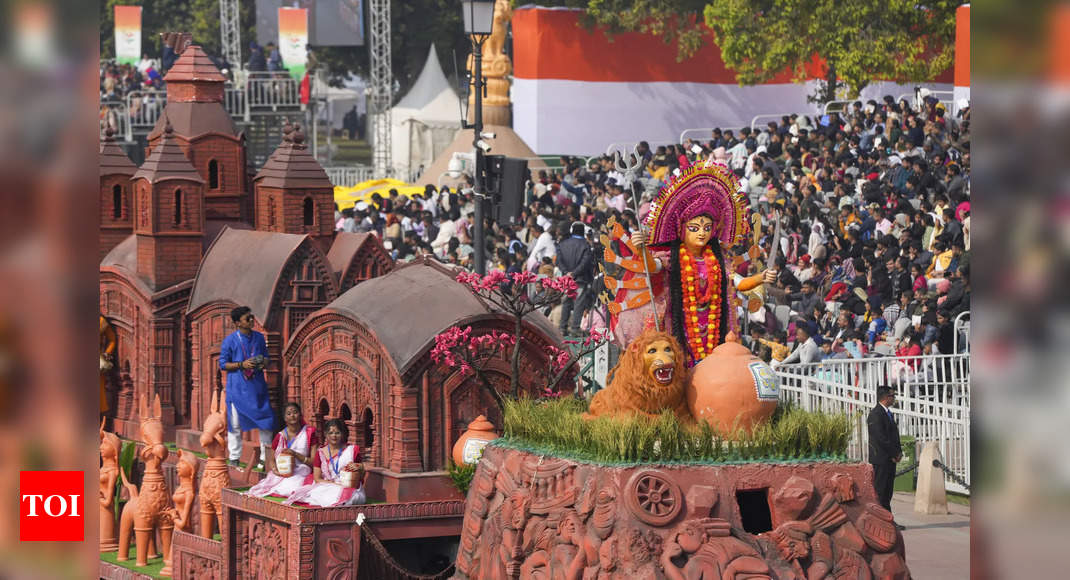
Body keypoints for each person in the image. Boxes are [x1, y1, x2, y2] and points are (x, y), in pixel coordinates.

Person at [618, 163, 771, 366]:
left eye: (707, 228)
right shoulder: (672, 257)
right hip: (680, 325)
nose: (702, 233)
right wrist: (642, 250)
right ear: (682, 230)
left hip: (713, 327)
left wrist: (761, 278)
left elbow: (739, 283)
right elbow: (652, 267)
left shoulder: (718, 260)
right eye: (695, 228)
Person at [219, 306, 275, 470]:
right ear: (237, 323)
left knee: (266, 421)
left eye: (251, 317)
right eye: (247, 318)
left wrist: (261, 362)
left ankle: (266, 458)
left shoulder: (258, 338)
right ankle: (234, 458)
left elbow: (267, 359)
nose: (251, 321)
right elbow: (223, 364)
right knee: (235, 424)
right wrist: (241, 364)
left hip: (257, 387)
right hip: (237, 388)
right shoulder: (230, 341)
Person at [283, 419, 366, 507]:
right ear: (326, 434)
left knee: (352, 497)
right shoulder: (320, 452)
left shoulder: (351, 451)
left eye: (337, 433)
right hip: (327, 485)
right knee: (321, 495)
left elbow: (360, 477)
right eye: (330, 433)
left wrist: (361, 468)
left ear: (342, 434)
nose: (334, 436)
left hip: (348, 487)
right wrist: (334, 484)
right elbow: (317, 478)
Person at [247, 402, 319, 498]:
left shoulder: (309, 433)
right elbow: (271, 460)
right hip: (282, 473)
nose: (292, 415)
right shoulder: (280, 436)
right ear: (285, 418)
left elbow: (314, 462)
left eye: (295, 412)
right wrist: (275, 470)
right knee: (267, 486)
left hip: (302, 473)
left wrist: (295, 454)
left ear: (300, 415)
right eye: (289, 414)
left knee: (291, 489)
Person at [867, 386, 903, 522]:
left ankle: (887, 519)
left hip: (890, 459)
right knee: (881, 491)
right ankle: (881, 520)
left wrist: (898, 452)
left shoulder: (888, 413)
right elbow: (880, 438)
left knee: (888, 492)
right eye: (892, 396)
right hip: (881, 459)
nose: (894, 398)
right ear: (885, 397)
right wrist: (894, 452)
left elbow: (894, 435)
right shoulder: (876, 414)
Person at [555, 222, 594, 336]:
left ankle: (562, 327)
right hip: (580, 279)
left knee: (566, 302)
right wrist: (575, 273)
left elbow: (559, 261)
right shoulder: (586, 245)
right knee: (578, 303)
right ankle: (575, 328)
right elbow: (585, 262)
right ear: (583, 232)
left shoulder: (562, 244)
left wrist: (567, 273)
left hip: (566, 279)